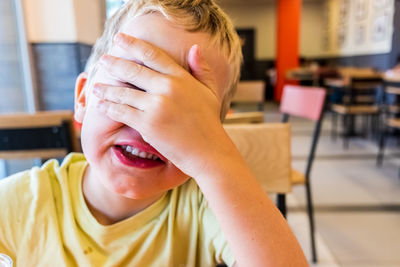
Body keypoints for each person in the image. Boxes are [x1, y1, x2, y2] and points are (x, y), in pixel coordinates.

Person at [0, 0, 308, 266]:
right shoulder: (15, 204)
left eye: (184, 111)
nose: (152, 124)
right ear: (83, 98)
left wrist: (216, 161)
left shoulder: (205, 206)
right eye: (132, 85)